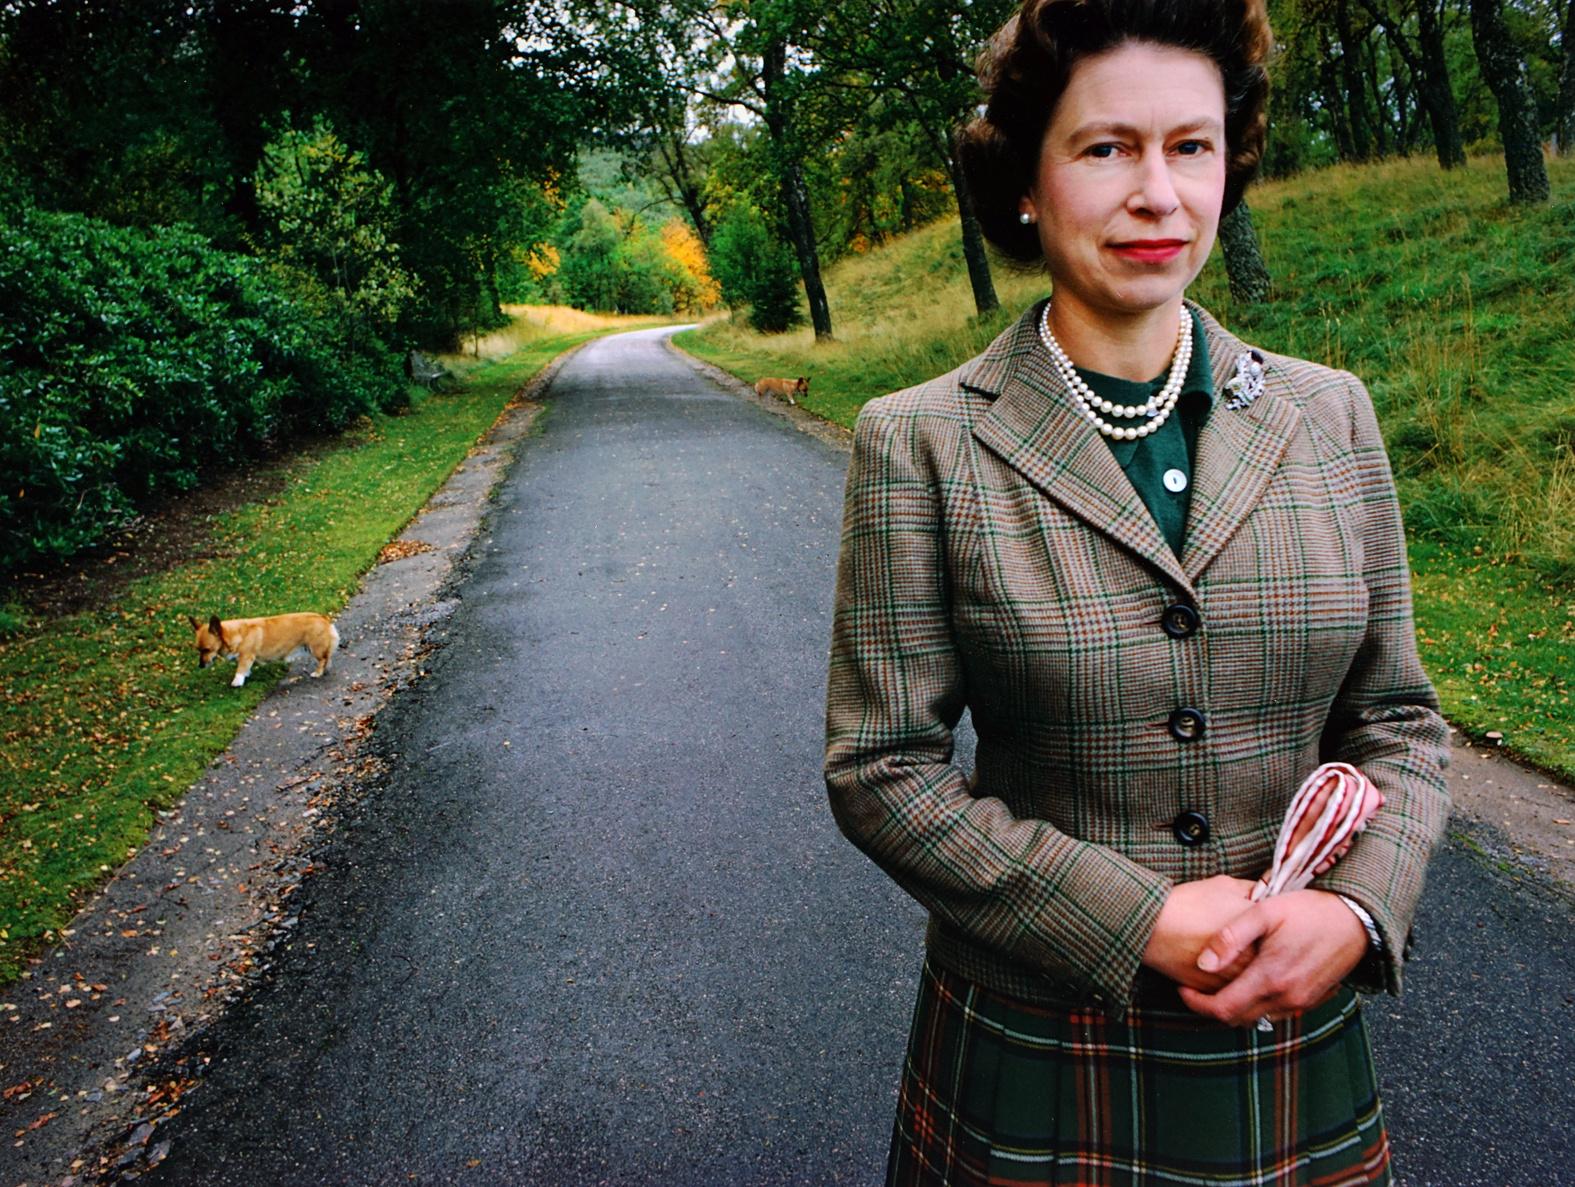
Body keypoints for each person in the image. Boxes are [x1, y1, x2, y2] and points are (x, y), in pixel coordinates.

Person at [821, 1, 1451, 1183]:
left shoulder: (1331, 416)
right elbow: (880, 769)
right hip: (1035, 1048)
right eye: (1107, 147)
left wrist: (1358, 911)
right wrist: (1137, 918)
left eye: (1192, 146)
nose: (1158, 193)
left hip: (1287, 1040)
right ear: (1026, 180)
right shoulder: (918, 442)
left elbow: (1399, 722)